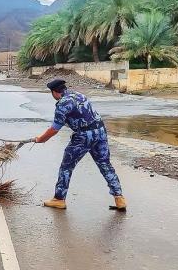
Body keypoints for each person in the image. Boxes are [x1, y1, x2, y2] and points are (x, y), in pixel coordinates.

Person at [33, 79, 126, 210]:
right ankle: (119, 199)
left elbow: (54, 129)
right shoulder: (79, 95)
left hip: (83, 136)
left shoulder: (62, 104)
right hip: (100, 132)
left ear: (54, 92)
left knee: (66, 167)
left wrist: (40, 139)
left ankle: (59, 199)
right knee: (105, 165)